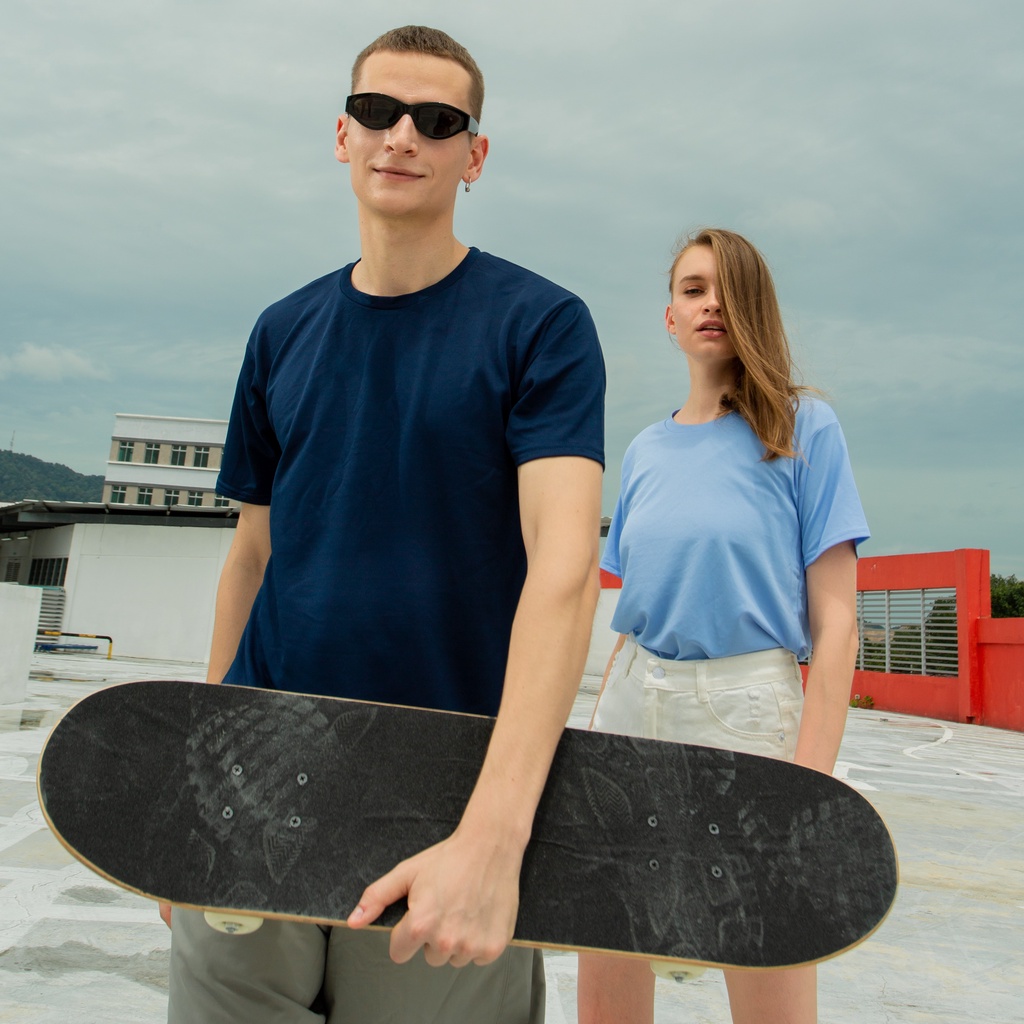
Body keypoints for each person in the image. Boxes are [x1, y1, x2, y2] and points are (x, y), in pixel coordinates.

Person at [163, 25, 605, 1024]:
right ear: (342, 135)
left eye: (438, 120)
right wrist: (198, 777)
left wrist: (494, 839)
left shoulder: (541, 325)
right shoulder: (281, 330)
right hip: (257, 782)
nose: (403, 135)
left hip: (441, 798)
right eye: (377, 111)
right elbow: (252, 557)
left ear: (473, 156)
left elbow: (566, 568)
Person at [576, 228, 868, 1024]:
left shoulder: (804, 428)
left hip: (747, 710)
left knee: (766, 945)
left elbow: (837, 621)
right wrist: (596, 728)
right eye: (693, 289)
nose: (711, 305)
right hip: (631, 703)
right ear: (669, 317)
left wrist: (811, 787)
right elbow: (633, 610)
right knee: (607, 940)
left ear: (755, 310)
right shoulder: (644, 450)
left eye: (728, 290)